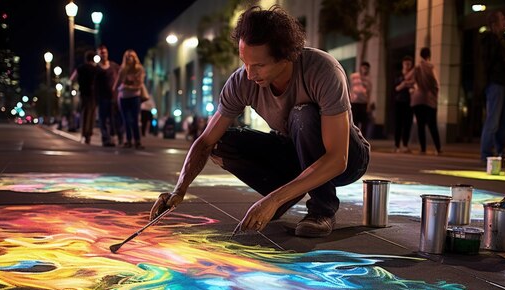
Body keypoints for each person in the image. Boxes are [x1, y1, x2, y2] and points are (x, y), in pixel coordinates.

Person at [151, 5, 370, 238]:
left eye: (259, 66)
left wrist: (271, 200)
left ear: (286, 56)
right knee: (221, 142)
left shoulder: (322, 70)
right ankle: (286, 195)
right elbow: (205, 141)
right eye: (244, 62)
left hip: (347, 160)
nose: (249, 74)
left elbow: (338, 159)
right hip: (296, 152)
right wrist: (179, 190)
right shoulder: (242, 82)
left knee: (302, 114)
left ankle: (321, 210)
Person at [479, 10, 505, 162]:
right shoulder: (490, 40)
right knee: (493, 120)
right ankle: (486, 153)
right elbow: (488, 63)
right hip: (495, 83)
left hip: (503, 83)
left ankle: (500, 151)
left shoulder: (501, 40)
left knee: (503, 121)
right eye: (502, 19)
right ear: (494, 25)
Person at [409, 47, 441, 154]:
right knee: (432, 125)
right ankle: (438, 148)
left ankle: (423, 149)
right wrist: (435, 95)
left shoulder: (417, 67)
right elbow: (436, 84)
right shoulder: (430, 67)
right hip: (429, 99)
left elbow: (410, 80)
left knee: (420, 125)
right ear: (429, 56)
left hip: (417, 100)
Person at [113, 49, 146, 149]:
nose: (129, 59)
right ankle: (128, 140)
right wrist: (114, 92)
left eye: (131, 56)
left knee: (135, 120)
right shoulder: (123, 70)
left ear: (134, 58)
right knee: (126, 120)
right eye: (127, 57)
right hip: (123, 97)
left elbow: (139, 85)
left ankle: (137, 141)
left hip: (134, 97)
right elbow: (117, 84)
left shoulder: (139, 69)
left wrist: (126, 87)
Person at [70, 50, 99, 144]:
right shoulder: (95, 69)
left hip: (83, 93)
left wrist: (76, 86)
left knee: (84, 113)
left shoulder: (80, 68)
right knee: (92, 114)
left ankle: (84, 132)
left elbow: (72, 79)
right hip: (93, 94)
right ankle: (89, 133)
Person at [95, 44, 121, 147]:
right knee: (103, 119)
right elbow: (94, 84)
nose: (103, 54)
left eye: (105, 52)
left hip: (114, 97)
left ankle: (114, 137)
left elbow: (121, 77)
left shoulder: (114, 66)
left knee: (114, 119)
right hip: (102, 97)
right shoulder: (97, 68)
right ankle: (105, 139)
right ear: (98, 54)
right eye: (101, 53)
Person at [393, 55, 414, 152]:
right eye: (406, 64)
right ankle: (397, 145)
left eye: (409, 64)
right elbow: (396, 88)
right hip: (398, 102)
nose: (408, 66)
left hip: (409, 103)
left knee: (407, 124)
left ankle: (405, 144)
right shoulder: (398, 75)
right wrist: (404, 84)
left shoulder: (413, 76)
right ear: (403, 64)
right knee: (398, 124)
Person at [349, 61, 373, 137]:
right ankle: (354, 139)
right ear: (361, 68)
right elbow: (349, 88)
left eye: (367, 68)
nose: (365, 70)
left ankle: (363, 140)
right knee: (354, 123)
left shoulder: (368, 80)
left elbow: (369, 93)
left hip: (363, 103)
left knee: (364, 123)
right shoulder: (353, 76)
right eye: (364, 68)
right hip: (354, 102)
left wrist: (368, 105)